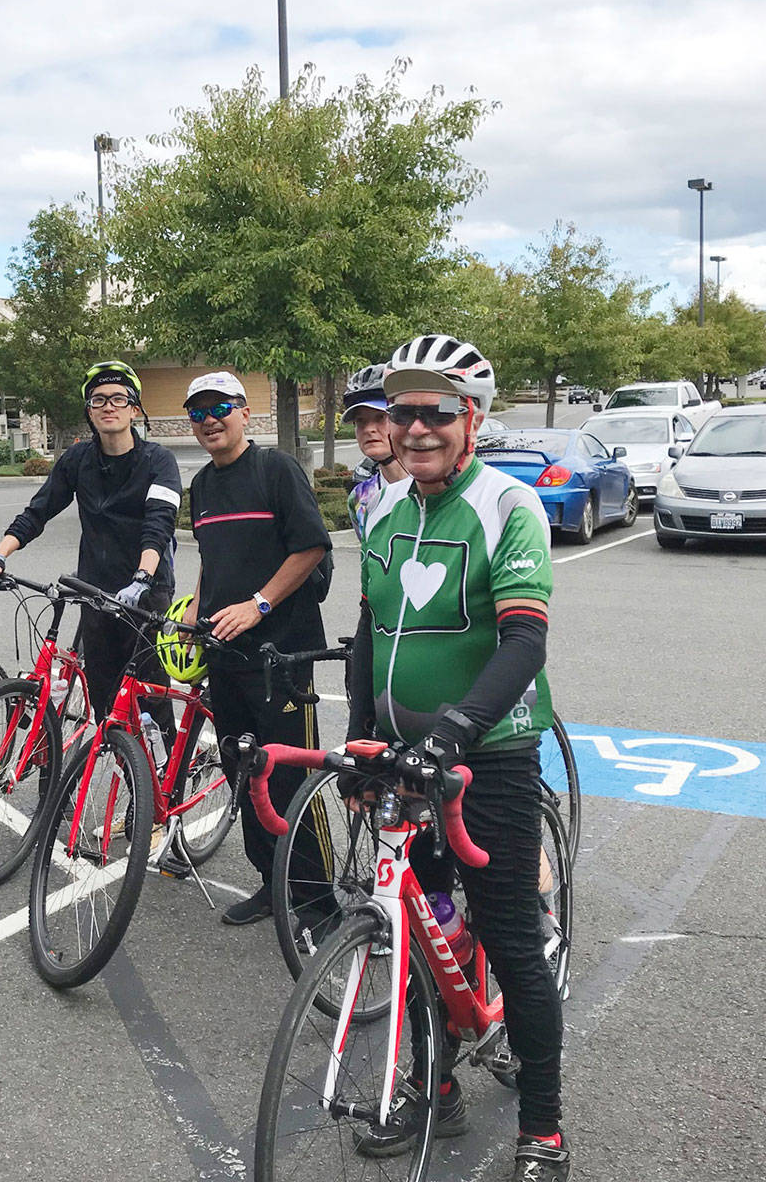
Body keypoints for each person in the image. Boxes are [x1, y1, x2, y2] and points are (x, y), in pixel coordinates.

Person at [344, 333, 569, 1181]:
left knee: (510, 942)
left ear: (472, 419)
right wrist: (364, 739)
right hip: (407, 758)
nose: (415, 427)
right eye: (401, 411)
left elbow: (524, 641)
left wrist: (457, 730)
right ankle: (432, 1089)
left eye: (436, 411)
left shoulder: (508, 504)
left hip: (490, 756)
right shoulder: (383, 510)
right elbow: (371, 633)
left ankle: (543, 1129)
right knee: (411, 923)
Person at [183, 371, 332, 925]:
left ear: (245, 413)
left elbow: (312, 547)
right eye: (198, 413)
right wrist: (197, 607)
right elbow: (212, 556)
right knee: (243, 772)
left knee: (291, 780)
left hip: (283, 658)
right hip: (226, 656)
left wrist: (259, 605)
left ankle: (318, 902)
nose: (209, 420)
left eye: (220, 408)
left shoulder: (276, 469)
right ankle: (272, 884)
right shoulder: (202, 485)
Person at [0, 361, 181, 726]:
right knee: (104, 701)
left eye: (118, 399)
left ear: (134, 409)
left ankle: (160, 760)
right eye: (98, 400)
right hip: (95, 591)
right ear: (89, 411)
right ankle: (115, 755)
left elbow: (159, 524)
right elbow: (37, 512)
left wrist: (142, 578)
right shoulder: (78, 459)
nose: (108, 406)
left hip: (146, 592)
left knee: (149, 699)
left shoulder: (158, 460)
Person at [340, 362, 408, 543]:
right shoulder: (360, 498)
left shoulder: (434, 488)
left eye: (380, 417)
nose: (369, 429)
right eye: (360, 421)